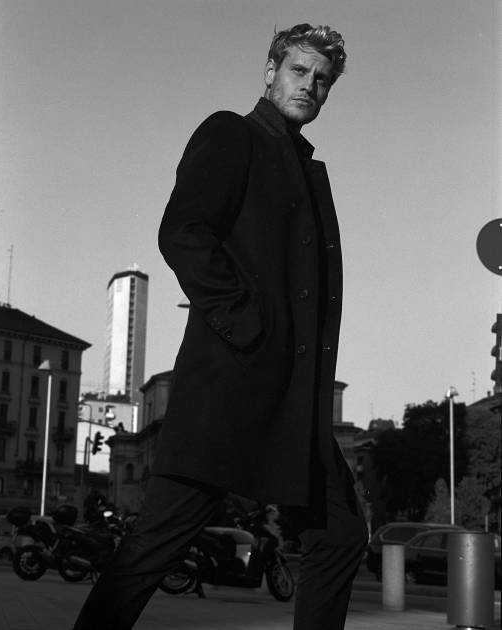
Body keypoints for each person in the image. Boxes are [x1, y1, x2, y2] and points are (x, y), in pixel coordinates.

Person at [73, 23, 367, 630]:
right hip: (233, 385)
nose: (309, 86)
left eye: (322, 80)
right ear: (270, 71)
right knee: (157, 543)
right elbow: (183, 231)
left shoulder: (306, 167)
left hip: (295, 401)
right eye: (299, 71)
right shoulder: (233, 133)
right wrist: (246, 323)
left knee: (339, 534)